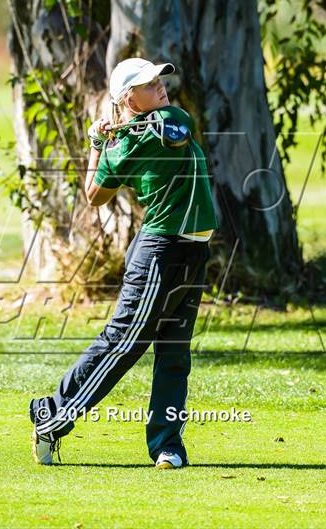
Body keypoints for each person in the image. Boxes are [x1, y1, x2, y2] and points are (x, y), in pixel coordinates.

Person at [29, 57, 219, 469]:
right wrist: (98, 146)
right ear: (128, 97)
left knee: (174, 353)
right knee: (124, 342)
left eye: (159, 78)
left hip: (191, 249)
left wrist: (123, 132)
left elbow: (177, 130)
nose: (160, 84)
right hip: (160, 250)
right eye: (148, 83)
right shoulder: (125, 145)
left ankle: (167, 446)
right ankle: (52, 415)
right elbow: (94, 194)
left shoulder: (170, 117)